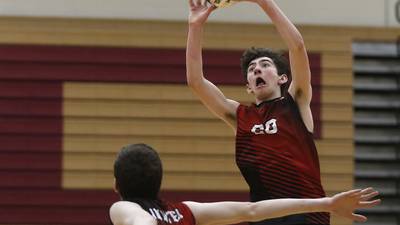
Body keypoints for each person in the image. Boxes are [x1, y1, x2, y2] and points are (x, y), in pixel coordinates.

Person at [186, 0, 343, 224]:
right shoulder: (240, 116)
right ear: (249, 86)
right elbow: (196, 82)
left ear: (282, 78)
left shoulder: (295, 101)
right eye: (252, 69)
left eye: (265, 65)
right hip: (264, 216)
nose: (257, 69)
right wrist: (195, 26)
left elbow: (297, 45)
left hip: (307, 215)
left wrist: (264, 2)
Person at [109, 143, 380, 225]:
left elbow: (138, 221)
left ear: (117, 186)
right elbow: (253, 210)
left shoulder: (122, 209)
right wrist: (326, 203)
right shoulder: (184, 211)